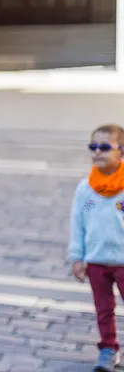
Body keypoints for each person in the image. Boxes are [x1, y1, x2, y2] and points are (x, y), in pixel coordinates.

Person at [68, 124, 124, 372]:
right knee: (103, 310)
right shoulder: (86, 189)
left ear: (121, 152)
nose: (97, 152)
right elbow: (78, 223)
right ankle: (108, 350)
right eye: (93, 147)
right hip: (96, 261)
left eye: (104, 147)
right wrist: (77, 257)